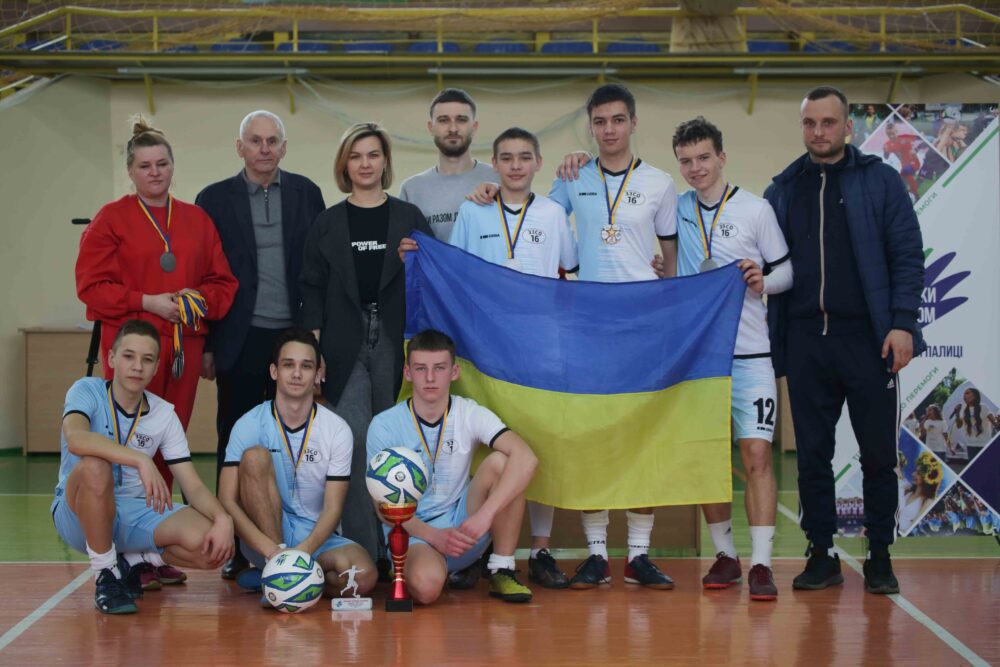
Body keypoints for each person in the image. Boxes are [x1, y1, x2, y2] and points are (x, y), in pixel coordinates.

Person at [764, 85, 926, 595]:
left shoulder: (880, 181)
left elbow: (907, 255)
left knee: (878, 455)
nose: (819, 132)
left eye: (828, 122)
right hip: (806, 341)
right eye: (810, 123)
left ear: (847, 127)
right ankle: (822, 554)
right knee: (812, 455)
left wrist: (902, 323)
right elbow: (759, 260)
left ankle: (879, 556)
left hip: (868, 341)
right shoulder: (782, 189)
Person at [75, 116, 238, 591]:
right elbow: (91, 287)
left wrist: (195, 301)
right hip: (132, 347)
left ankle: (148, 549)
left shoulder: (196, 219)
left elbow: (223, 283)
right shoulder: (111, 218)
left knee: (168, 442)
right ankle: (118, 550)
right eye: (145, 166)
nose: (154, 172)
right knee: (126, 441)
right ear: (130, 171)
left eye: (162, 164)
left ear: (172, 166)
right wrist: (146, 301)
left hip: (183, 346)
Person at [195, 110, 326, 580]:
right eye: (255, 140)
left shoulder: (307, 193)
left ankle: (294, 541)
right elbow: (204, 275)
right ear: (240, 147)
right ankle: (235, 547)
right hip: (240, 337)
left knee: (296, 442)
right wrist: (208, 342)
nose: (265, 148)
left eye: (273, 141)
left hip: (295, 337)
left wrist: (318, 337)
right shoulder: (213, 199)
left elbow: (320, 268)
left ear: (284, 148)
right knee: (235, 441)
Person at [448, 127, 578, 589]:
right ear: (495, 163)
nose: (516, 165)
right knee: (485, 445)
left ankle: (539, 549)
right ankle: (477, 550)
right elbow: (455, 274)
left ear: (538, 162)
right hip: (485, 348)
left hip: (540, 347)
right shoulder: (472, 210)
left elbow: (571, 275)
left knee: (541, 443)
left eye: (525, 157)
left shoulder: (553, 213)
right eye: (507, 158)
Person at [671, 117, 793, 602]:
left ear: (721, 157)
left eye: (703, 157)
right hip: (701, 359)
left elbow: (787, 270)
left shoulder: (755, 209)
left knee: (757, 454)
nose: (696, 168)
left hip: (751, 355)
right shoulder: (678, 208)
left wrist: (764, 281)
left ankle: (762, 562)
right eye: (686, 161)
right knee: (707, 458)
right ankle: (725, 555)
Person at [299, 122, 432, 563]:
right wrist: (315, 353)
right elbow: (311, 287)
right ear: (344, 165)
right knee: (355, 442)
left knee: (395, 444)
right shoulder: (328, 222)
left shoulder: (409, 217)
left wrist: (415, 264)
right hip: (344, 340)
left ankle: (402, 548)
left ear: (385, 162)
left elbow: (434, 278)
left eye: (373, 155)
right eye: (356, 156)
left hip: (395, 339)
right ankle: (365, 552)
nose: (365, 164)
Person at [51, 320, 234, 614]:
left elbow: (193, 486)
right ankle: (106, 574)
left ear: (156, 367)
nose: (137, 366)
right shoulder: (86, 390)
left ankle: (136, 560)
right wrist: (140, 458)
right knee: (95, 466)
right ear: (112, 358)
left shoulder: (164, 414)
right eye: (129, 356)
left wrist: (223, 518)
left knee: (213, 545)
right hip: (76, 513)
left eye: (147, 359)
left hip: (131, 511)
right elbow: (76, 438)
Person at [366, 329, 539, 604]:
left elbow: (527, 458)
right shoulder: (385, 425)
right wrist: (434, 536)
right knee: (426, 589)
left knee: (505, 462)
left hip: (464, 527)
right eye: (421, 368)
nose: (430, 378)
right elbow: (382, 507)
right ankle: (420, 568)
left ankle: (502, 568)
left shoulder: (468, 412)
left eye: (439, 368)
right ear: (408, 373)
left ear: (454, 372)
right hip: (415, 533)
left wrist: (485, 517)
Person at [217, 328, 376, 603]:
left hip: (316, 538)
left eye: (306, 366)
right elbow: (226, 499)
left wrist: (302, 552)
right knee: (254, 457)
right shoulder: (249, 424)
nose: (297, 373)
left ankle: (280, 581)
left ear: (318, 374)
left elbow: (333, 507)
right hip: (265, 541)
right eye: (288, 365)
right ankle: (275, 569)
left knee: (363, 577)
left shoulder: (337, 429)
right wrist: (271, 550)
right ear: (274, 371)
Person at [399, 88, 497, 242]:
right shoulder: (411, 189)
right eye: (444, 120)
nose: (453, 129)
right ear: (431, 127)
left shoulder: (498, 180)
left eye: (461, 120)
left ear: (474, 127)